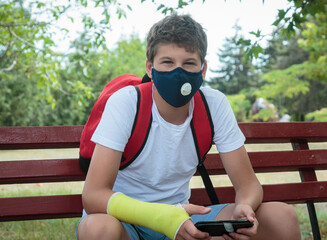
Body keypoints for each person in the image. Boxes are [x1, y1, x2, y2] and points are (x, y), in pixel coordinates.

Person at [77, 14, 301, 240]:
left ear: (202, 70)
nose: (178, 72)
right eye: (167, 62)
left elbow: (248, 185)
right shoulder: (126, 102)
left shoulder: (214, 104)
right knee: (97, 229)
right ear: (150, 68)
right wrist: (163, 217)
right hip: (125, 223)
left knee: (281, 217)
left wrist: (245, 206)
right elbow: (93, 195)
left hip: (183, 220)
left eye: (188, 63)